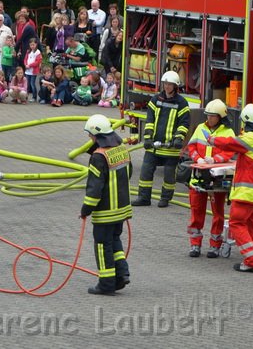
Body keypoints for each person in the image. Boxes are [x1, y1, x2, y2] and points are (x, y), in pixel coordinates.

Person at [204, 104, 253, 273]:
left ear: (246, 122)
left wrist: (211, 139)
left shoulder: (250, 138)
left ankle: (252, 260)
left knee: (236, 223)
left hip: (245, 192)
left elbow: (230, 143)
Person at [80, 114, 132, 295]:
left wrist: (86, 209)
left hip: (105, 212)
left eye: (90, 135)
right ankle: (122, 274)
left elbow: (94, 189)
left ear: (97, 134)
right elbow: (129, 174)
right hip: (122, 209)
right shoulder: (122, 149)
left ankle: (106, 284)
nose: (89, 138)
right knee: (114, 241)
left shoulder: (98, 156)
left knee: (102, 246)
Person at [184, 99, 236, 258]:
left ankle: (215, 245)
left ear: (220, 117)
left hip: (217, 180)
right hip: (199, 178)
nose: (209, 118)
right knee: (196, 212)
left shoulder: (228, 132)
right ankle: (195, 245)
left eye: (212, 116)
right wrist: (197, 158)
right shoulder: (200, 128)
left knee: (218, 214)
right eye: (208, 115)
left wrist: (216, 159)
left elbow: (230, 152)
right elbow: (191, 146)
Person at [132, 71, 189, 208]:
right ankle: (144, 198)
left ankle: (165, 198)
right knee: (146, 171)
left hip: (170, 147)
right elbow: (150, 120)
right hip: (154, 146)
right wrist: (147, 138)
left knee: (169, 176)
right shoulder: (156, 100)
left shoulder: (181, 103)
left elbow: (184, 123)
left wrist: (178, 139)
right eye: (165, 84)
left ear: (175, 86)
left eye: (170, 84)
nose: (167, 87)